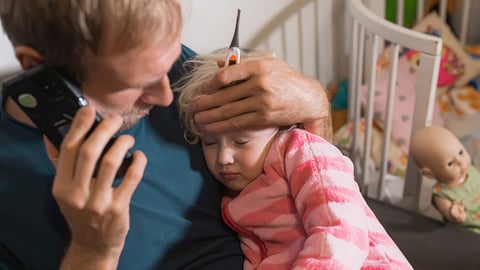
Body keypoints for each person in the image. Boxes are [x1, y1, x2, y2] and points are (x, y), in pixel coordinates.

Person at [0, 1, 333, 269]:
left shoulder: (180, 75)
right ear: (36, 66)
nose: (166, 97)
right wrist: (92, 252)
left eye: (169, 62)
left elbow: (312, 193)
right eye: (136, 82)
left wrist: (315, 108)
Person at [176, 48, 413, 269]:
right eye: (209, 143)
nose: (224, 157)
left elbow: (342, 230)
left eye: (241, 142)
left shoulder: (304, 153)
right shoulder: (233, 197)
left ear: (282, 126)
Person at [411, 126, 480, 233]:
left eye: (461, 152)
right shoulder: (442, 194)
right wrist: (455, 214)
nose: (461, 163)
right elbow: (449, 215)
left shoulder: (472, 170)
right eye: (450, 163)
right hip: (471, 228)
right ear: (430, 174)